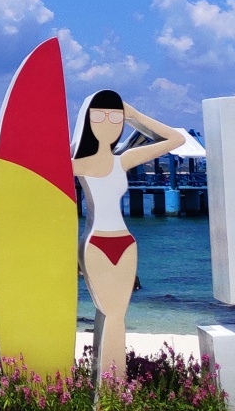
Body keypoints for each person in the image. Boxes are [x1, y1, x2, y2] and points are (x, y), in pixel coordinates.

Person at [72, 89, 187, 377]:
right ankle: (111, 389)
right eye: (99, 117)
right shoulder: (76, 164)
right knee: (110, 315)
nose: (108, 124)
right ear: (86, 121)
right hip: (95, 243)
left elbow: (176, 139)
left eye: (115, 118)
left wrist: (134, 115)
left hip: (125, 242)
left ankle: (110, 388)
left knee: (116, 315)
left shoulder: (121, 161)